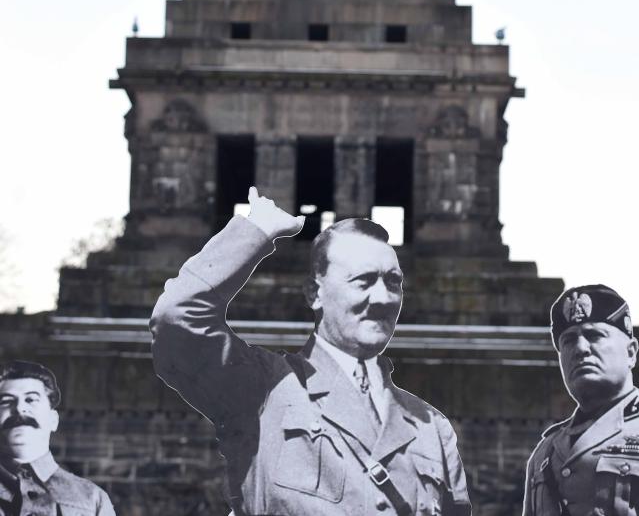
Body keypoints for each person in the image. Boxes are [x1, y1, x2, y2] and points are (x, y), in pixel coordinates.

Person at [151, 187, 471, 516]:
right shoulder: (262, 390)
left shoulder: (433, 428)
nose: (383, 299)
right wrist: (257, 229)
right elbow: (176, 319)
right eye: (363, 280)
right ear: (314, 293)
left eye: (393, 282)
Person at [523, 284, 639, 515]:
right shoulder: (545, 452)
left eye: (595, 335)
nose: (580, 348)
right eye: (568, 341)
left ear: (631, 352)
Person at [0, 360, 116, 514]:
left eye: (31, 399)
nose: (20, 408)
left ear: (53, 420)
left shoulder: (92, 499)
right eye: (6, 401)